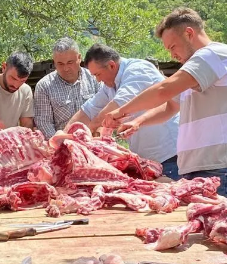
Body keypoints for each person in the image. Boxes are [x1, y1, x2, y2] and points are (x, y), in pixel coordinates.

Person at [104, 8, 227, 264]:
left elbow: (167, 87)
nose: (171, 53)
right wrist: (138, 122)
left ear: (188, 32)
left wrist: (122, 110)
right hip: (200, 171)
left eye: (171, 46)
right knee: (199, 246)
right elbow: (170, 106)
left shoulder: (216, 55)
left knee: (218, 250)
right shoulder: (197, 72)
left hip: (224, 168)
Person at [66, 43, 180, 178]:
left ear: (111, 65)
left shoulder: (137, 70)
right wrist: (63, 136)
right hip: (147, 159)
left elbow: (119, 105)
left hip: (171, 154)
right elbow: (88, 109)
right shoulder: (109, 86)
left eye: (98, 74)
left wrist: (90, 128)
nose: (97, 79)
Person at [33, 37, 100, 139]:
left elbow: (104, 109)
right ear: (54, 62)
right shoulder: (44, 86)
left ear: (79, 58)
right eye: (60, 64)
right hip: (62, 147)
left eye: (70, 62)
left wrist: (98, 136)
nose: (66, 68)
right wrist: (60, 144)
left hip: (93, 142)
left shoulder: (94, 78)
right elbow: (44, 123)